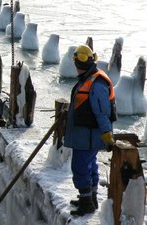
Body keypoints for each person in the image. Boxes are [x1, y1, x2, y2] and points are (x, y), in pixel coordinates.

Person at [64, 45, 117, 216]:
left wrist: (107, 135)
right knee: (90, 165)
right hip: (85, 135)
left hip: (88, 136)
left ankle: (86, 202)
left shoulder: (96, 83)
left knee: (80, 167)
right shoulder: (89, 78)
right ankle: (90, 198)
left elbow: (102, 113)